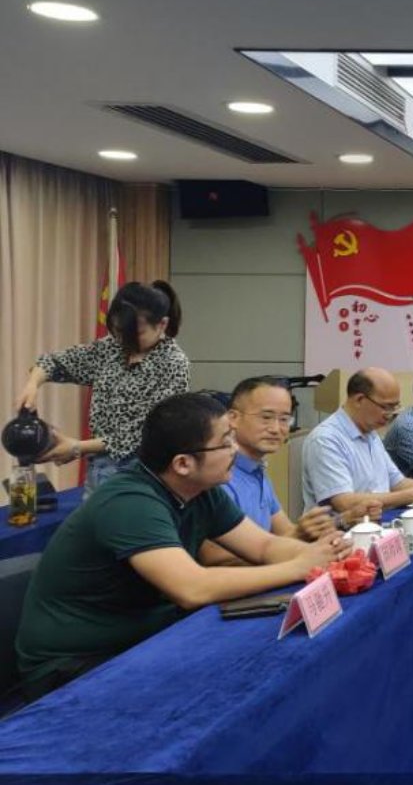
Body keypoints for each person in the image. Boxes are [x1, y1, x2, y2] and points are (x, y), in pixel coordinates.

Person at [14, 393, 349, 699]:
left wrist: (321, 554)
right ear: (183, 464)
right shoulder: (130, 501)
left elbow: (263, 547)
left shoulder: (201, 490)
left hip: (145, 637)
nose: (235, 450)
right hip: (75, 665)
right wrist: (298, 567)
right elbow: (192, 588)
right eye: (225, 442)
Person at [14, 280, 189, 495]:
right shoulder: (111, 348)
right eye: (118, 332)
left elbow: (144, 433)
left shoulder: (172, 363)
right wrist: (32, 384)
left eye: (135, 334)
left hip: (140, 473)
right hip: (98, 469)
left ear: (162, 324)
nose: (123, 340)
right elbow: (57, 362)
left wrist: (77, 447)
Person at [216, 376, 375, 550]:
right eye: (266, 417)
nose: (276, 429)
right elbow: (217, 558)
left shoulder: (257, 469)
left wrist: (342, 520)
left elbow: (285, 532)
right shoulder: (218, 476)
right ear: (233, 418)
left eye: (284, 419)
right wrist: (298, 535)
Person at [301, 367, 413, 514]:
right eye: (386, 407)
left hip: (378, 522)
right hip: (341, 532)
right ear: (359, 400)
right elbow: (344, 502)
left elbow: (397, 482)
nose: (390, 415)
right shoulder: (326, 439)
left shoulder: (371, 433)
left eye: (395, 407)